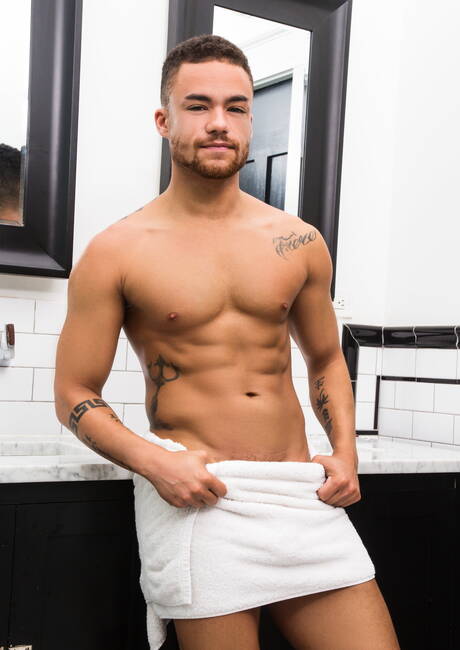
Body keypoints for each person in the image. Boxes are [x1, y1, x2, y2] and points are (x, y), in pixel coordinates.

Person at [54, 34, 400, 650]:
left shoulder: (299, 241)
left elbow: (325, 358)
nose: (219, 122)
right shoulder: (117, 251)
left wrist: (346, 453)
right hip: (201, 499)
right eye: (198, 105)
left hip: (301, 495)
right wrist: (155, 462)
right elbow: (73, 391)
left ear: (250, 120)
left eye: (236, 107)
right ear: (164, 121)